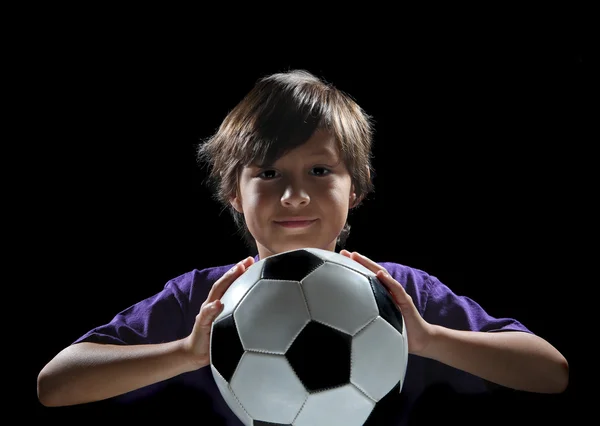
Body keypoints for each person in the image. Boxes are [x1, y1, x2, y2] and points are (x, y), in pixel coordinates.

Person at [37, 69, 569, 425]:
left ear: (355, 188)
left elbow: (550, 372)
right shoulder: (202, 299)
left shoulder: (400, 293)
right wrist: (185, 353)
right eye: (268, 173)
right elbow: (55, 384)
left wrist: (429, 340)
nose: (294, 195)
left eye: (320, 171)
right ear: (233, 194)